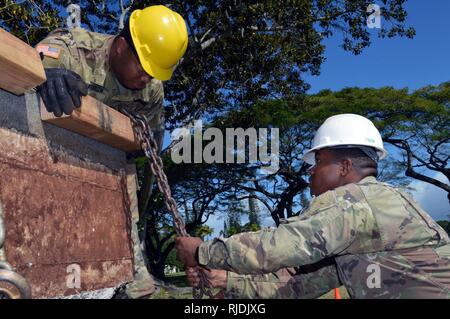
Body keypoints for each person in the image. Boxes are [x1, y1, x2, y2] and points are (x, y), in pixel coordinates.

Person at [175, 114, 450, 299]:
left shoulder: (354, 202)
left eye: (318, 161)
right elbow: (301, 284)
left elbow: (280, 245)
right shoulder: (372, 210)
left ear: (344, 167)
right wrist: (225, 281)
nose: (310, 171)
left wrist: (202, 251)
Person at [36, 5, 188, 298]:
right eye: (143, 67)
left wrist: (137, 143)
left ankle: (130, 283)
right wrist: (44, 75)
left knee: (124, 258)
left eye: (154, 72)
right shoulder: (72, 45)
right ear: (120, 46)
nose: (147, 78)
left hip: (107, 171)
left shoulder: (152, 89)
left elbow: (153, 135)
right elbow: (33, 59)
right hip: (47, 156)